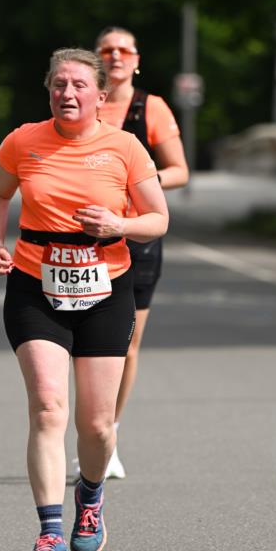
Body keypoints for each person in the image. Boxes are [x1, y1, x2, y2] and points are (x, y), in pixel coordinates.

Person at [0, 48, 168, 551]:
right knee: (46, 408)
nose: (68, 93)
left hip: (106, 289)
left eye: (79, 86)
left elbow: (158, 218)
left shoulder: (125, 147)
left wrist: (119, 226)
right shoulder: (23, 140)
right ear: (48, 91)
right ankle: (49, 533)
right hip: (35, 286)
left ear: (100, 96)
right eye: (59, 84)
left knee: (97, 425)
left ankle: (90, 498)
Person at [94, 26, 189, 478]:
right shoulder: (81, 104)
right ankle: (88, 430)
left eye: (123, 50)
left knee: (127, 345)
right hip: (82, 239)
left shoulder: (149, 107)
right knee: (85, 343)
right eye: (106, 50)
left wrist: (135, 185)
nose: (115, 56)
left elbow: (179, 171)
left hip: (136, 237)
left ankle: (108, 434)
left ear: (136, 59)